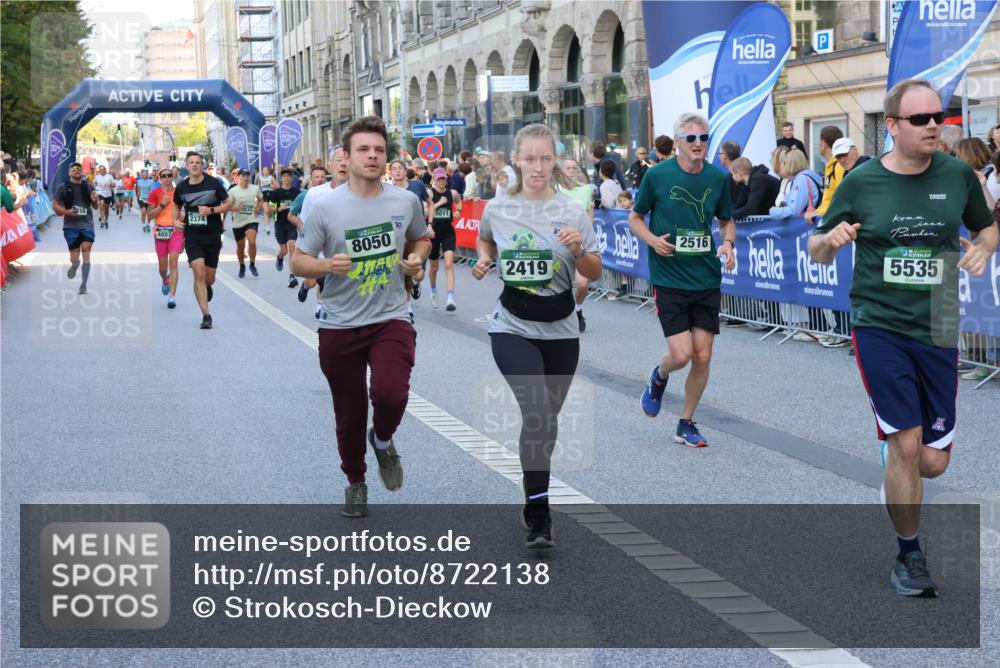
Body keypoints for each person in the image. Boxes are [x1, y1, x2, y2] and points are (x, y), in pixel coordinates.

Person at [810, 78, 998, 598]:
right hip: (879, 320)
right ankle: (908, 554)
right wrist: (830, 238)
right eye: (920, 119)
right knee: (908, 444)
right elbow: (815, 250)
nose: (934, 125)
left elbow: (987, 228)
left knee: (933, 460)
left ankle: (900, 460)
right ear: (891, 126)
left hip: (938, 318)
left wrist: (985, 247)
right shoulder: (862, 182)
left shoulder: (959, 175)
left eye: (937, 116)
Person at [292, 116, 431, 519]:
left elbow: (421, 239)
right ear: (346, 157)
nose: (372, 156)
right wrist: (326, 267)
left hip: (391, 317)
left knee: (391, 393)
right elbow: (298, 262)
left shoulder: (404, 201)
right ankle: (355, 480)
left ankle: (383, 440)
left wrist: (416, 260)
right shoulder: (324, 206)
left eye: (378, 150)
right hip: (339, 323)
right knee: (349, 413)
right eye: (363, 150)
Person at [471, 123, 601, 548]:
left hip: (561, 328)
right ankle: (540, 514)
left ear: (556, 161)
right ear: (517, 161)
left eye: (546, 158)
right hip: (512, 325)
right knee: (537, 411)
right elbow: (485, 241)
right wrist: (484, 260)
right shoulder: (499, 207)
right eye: (530, 158)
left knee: (547, 421)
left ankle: (533, 486)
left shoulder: (572, 210)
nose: (538, 166)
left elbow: (594, 273)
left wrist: (579, 250)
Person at [630, 112, 736, 448]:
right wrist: (653, 240)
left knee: (703, 356)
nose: (698, 144)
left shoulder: (718, 178)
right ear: (677, 142)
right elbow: (635, 218)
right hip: (670, 276)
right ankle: (659, 376)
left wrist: (728, 243)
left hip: (705, 276)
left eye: (703, 138)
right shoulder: (658, 175)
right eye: (691, 138)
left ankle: (686, 422)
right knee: (681, 355)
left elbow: (726, 220)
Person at [172, 151, 233, 329]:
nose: (195, 165)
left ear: (202, 165)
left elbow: (228, 204)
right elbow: (176, 205)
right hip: (193, 236)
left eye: (198, 162)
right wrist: (175, 221)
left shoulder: (213, 183)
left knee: (209, 278)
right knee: (198, 271)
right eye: (191, 162)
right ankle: (206, 315)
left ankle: (207, 286)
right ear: (187, 165)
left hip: (213, 235)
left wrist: (211, 211)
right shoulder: (182, 187)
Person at [558, 158, 596, 333]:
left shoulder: (586, 190)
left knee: (581, 284)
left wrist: (585, 236)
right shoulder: (555, 189)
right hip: (558, 241)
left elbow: (590, 215)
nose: (572, 170)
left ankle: (578, 310)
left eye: (574, 168)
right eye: (568, 168)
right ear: (561, 170)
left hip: (580, 243)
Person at [51, 162, 99, 295]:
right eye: (74, 169)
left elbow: (95, 207)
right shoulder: (63, 187)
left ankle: (83, 284)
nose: (77, 171)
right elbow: (55, 204)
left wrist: (95, 200)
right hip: (70, 225)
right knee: (75, 257)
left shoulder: (88, 186)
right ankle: (75, 265)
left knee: (86, 250)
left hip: (86, 224)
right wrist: (67, 212)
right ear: (69, 172)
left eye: (79, 169)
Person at [427, 167, 462, 312]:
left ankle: (450, 298)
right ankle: (433, 290)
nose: (441, 181)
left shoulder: (452, 193)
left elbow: (459, 201)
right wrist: (440, 203)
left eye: (444, 179)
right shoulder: (429, 193)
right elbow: (425, 210)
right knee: (434, 267)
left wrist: (458, 211)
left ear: (446, 179)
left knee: (448, 263)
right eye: (439, 179)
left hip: (448, 231)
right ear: (434, 179)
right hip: (433, 232)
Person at [147, 168, 183, 308]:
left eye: (169, 175)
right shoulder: (155, 193)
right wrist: (162, 204)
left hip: (176, 230)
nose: (167, 178)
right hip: (161, 231)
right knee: (163, 268)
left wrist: (183, 217)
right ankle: (164, 279)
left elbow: (184, 208)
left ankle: (172, 296)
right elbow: (150, 215)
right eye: (164, 176)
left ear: (173, 177)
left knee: (173, 261)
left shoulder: (179, 192)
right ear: (159, 178)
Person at [269, 169, 302, 288]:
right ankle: (280, 257)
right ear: (281, 178)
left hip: (292, 223)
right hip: (280, 224)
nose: (287, 178)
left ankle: (291, 276)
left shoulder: (296, 192)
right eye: (284, 176)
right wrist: (279, 209)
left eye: (289, 176)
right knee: (284, 250)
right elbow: (269, 209)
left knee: (292, 246)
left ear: (292, 178)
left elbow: (302, 206)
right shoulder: (276, 193)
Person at [228, 168, 263, 278]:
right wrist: (235, 208)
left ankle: (252, 264)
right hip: (238, 221)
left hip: (251, 219)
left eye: (247, 175)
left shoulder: (255, 188)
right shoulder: (233, 191)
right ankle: (242, 266)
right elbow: (227, 206)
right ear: (238, 177)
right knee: (240, 247)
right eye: (243, 176)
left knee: (252, 242)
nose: (246, 178)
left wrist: (258, 207)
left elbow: (261, 199)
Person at [807, 125, 845, 225]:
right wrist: (817, 212)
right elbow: (828, 198)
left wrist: (820, 213)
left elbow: (840, 198)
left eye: (819, 142)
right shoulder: (830, 166)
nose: (818, 145)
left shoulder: (839, 166)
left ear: (824, 144)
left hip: (835, 222)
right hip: (828, 217)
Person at [719, 140, 747, 211]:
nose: (719, 156)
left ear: (724, 155)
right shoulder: (745, 172)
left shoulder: (729, 178)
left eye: (720, 153)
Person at [135, 169, 157, 233]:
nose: (144, 174)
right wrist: (138, 198)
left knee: (149, 214)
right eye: (143, 173)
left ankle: (148, 224)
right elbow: (138, 190)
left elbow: (152, 191)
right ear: (141, 174)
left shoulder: (151, 181)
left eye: (145, 173)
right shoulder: (139, 181)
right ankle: (144, 225)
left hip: (149, 199)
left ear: (147, 174)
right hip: (142, 199)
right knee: (143, 212)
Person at [257, 165, 276, 235]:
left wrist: (269, 185)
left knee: (268, 211)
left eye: (266, 170)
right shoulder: (260, 178)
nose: (265, 171)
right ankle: (267, 228)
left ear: (268, 171)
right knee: (266, 211)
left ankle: (269, 219)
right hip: (264, 194)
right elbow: (258, 187)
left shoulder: (271, 177)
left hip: (271, 194)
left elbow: (277, 186)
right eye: (264, 170)